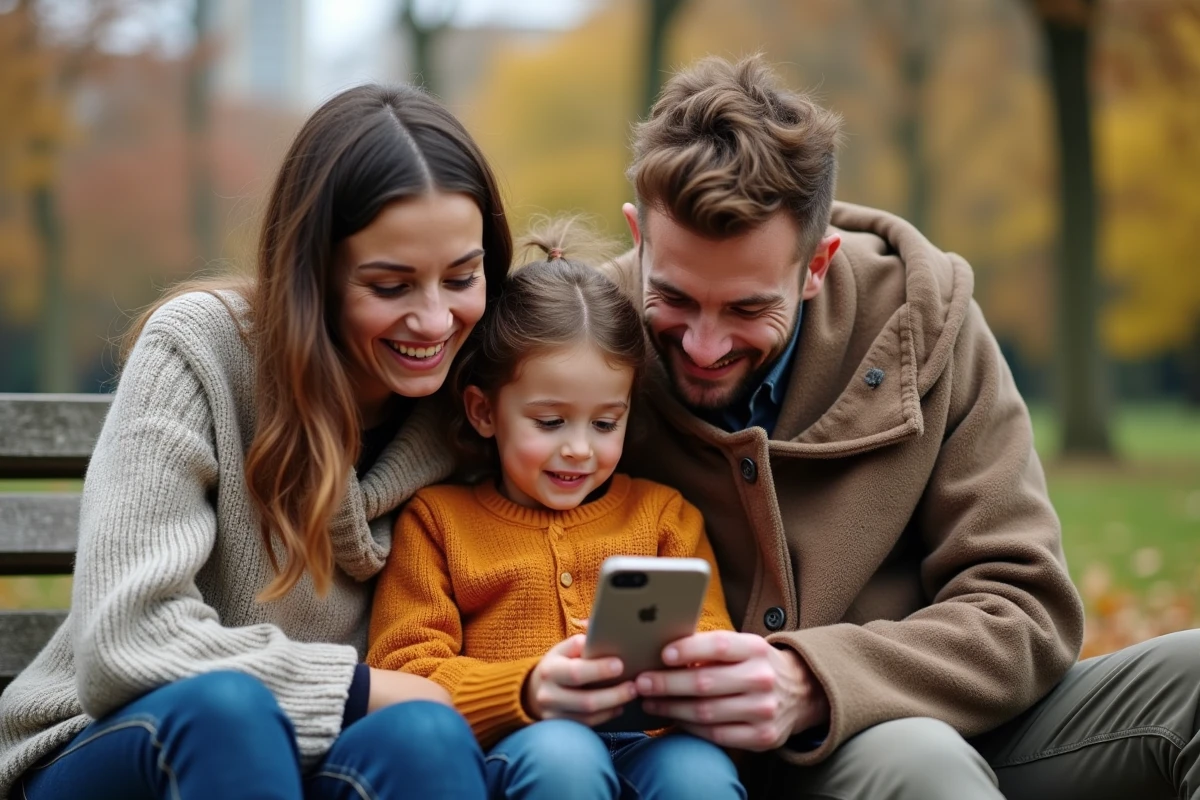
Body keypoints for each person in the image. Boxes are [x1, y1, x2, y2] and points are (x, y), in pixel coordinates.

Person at [608, 54, 1200, 799]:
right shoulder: (578, 338)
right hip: (696, 764)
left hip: (932, 717)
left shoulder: (925, 323)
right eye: (675, 298)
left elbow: (1025, 609)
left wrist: (815, 680)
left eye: (747, 309)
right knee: (919, 762)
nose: (702, 344)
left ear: (816, 264)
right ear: (639, 236)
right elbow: (437, 436)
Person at [0, 83, 515, 800]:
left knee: (427, 738)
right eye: (391, 286)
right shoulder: (200, 350)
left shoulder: (486, 406)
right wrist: (369, 690)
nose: (434, 321)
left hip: (321, 763)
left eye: (461, 277)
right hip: (124, 750)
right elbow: (129, 642)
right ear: (315, 276)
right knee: (231, 711)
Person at [365, 220, 746, 800]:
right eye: (549, 422)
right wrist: (526, 687)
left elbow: (710, 632)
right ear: (484, 412)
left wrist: (691, 671)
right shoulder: (438, 522)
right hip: (516, 744)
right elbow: (407, 668)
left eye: (604, 423)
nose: (578, 448)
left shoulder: (664, 516)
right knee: (564, 757)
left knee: (700, 775)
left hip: (650, 739)